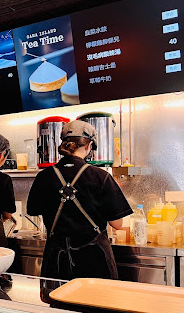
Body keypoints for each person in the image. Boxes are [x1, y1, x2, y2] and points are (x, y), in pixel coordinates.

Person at [27, 120, 132, 280]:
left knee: (57, 296)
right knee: (94, 297)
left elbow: (33, 211)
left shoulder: (43, 177)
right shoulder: (101, 176)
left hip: (57, 261)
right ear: (89, 145)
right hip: (94, 262)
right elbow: (117, 224)